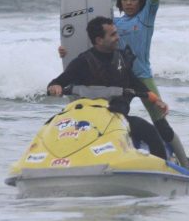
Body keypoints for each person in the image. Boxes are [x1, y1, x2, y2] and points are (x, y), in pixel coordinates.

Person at [59, 0, 189, 169]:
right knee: (112, 118)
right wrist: (66, 51)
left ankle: (185, 166)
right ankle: (108, 158)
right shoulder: (113, 24)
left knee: (162, 125)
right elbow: (94, 42)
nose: (129, 3)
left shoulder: (145, 18)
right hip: (121, 79)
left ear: (140, 1)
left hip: (143, 77)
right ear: (119, 2)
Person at [48, 16, 169, 160]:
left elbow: (135, 83)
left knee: (150, 132)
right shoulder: (83, 61)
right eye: (113, 35)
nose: (118, 38)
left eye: (116, 33)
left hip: (117, 117)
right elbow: (58, 82)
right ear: (99, 40)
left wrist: (156, 100)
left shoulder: (121, 58)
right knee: (51, 125)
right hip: (89, 120)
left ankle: (163, 169)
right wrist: (54, 87)